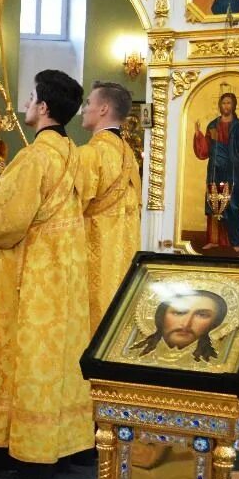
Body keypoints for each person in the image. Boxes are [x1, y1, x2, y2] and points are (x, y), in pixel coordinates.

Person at [0, 70, 92, 479]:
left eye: (32, 96)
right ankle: (62, 442)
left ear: (44, 107)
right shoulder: (75, 153)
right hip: (66, 276)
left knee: (22, 356)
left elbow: (6, 221)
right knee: (58, 359)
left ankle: (18, 447)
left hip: (32, 274)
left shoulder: (34, 157)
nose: (26, 103)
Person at [78, 81, 142, 333]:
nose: (84, 109)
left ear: (103, 109)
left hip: (92, 254)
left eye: (88, 103)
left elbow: (72, 206)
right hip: (124, 259)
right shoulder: (129, 155)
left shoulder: (92, 154)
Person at [192, 92, 239, 251]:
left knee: (232, 205)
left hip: (232, 171)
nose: (226, 106)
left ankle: (236, 241)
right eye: (224, 103)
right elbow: (204, 151)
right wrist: (198, 135)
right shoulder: (213, 125)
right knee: (214, 203)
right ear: (220, 106)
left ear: (234, 105)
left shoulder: (238, 126)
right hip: (215, 169)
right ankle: (214, 239)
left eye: (229, 103)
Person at [134, 290, 227, 362]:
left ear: (215, 323)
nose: (186, 323)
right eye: (179, 312)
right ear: (161, 316)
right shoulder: (133, 354)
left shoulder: (213, 362)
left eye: (202, 315)